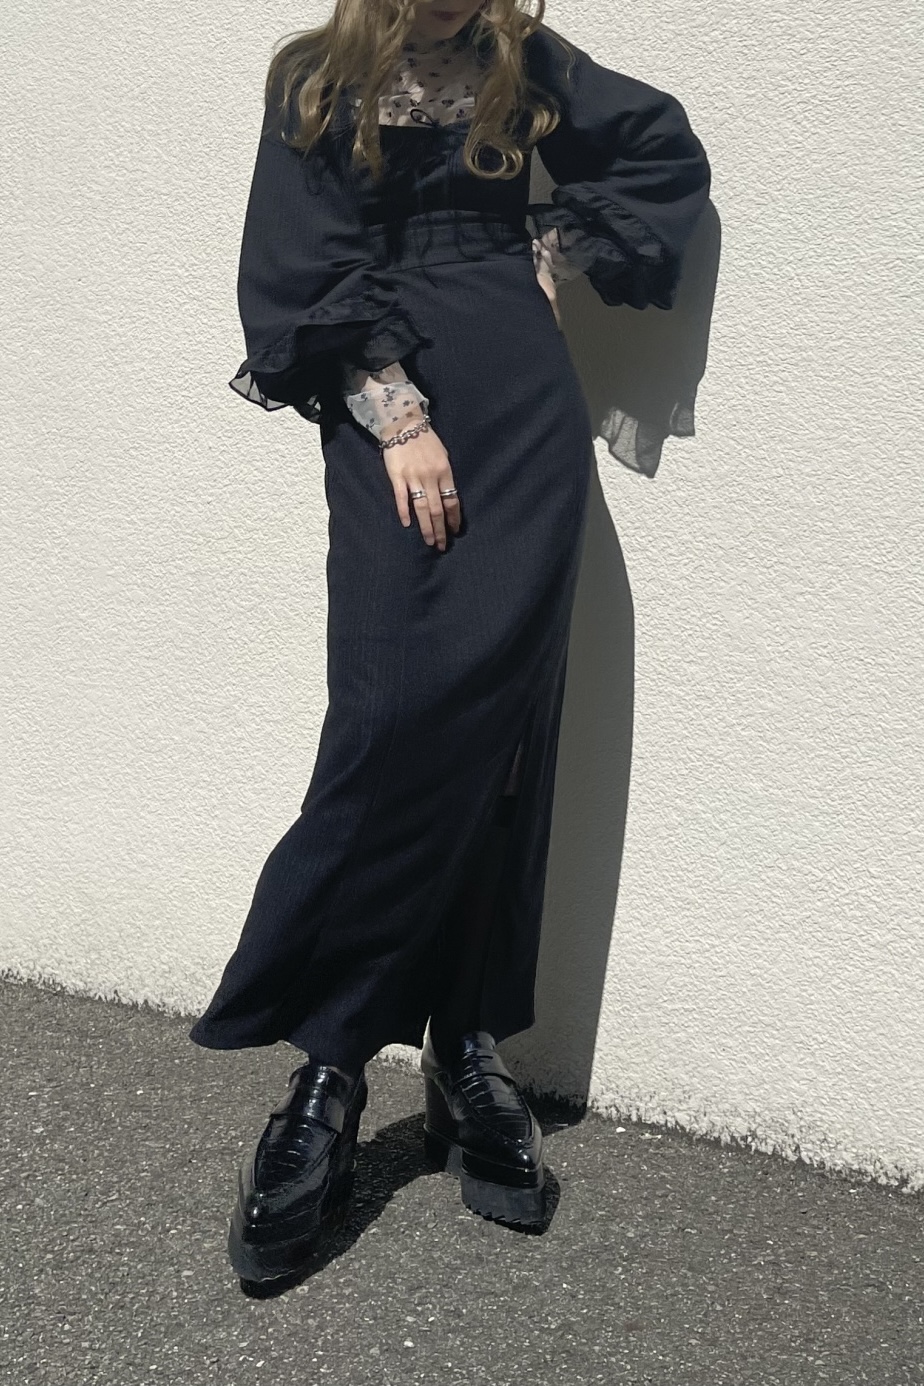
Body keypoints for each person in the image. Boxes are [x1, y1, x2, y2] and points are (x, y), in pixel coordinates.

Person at [189, 0, 710, 1284]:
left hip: (525, 405)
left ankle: (467, 1045)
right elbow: (296, 265)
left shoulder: (523, 58)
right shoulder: (316, 75)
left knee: (505, 734)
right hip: (394, 416)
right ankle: (330, 1066)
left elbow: (660, 151)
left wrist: (555, 246)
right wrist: (398, 416)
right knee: (392, 719)